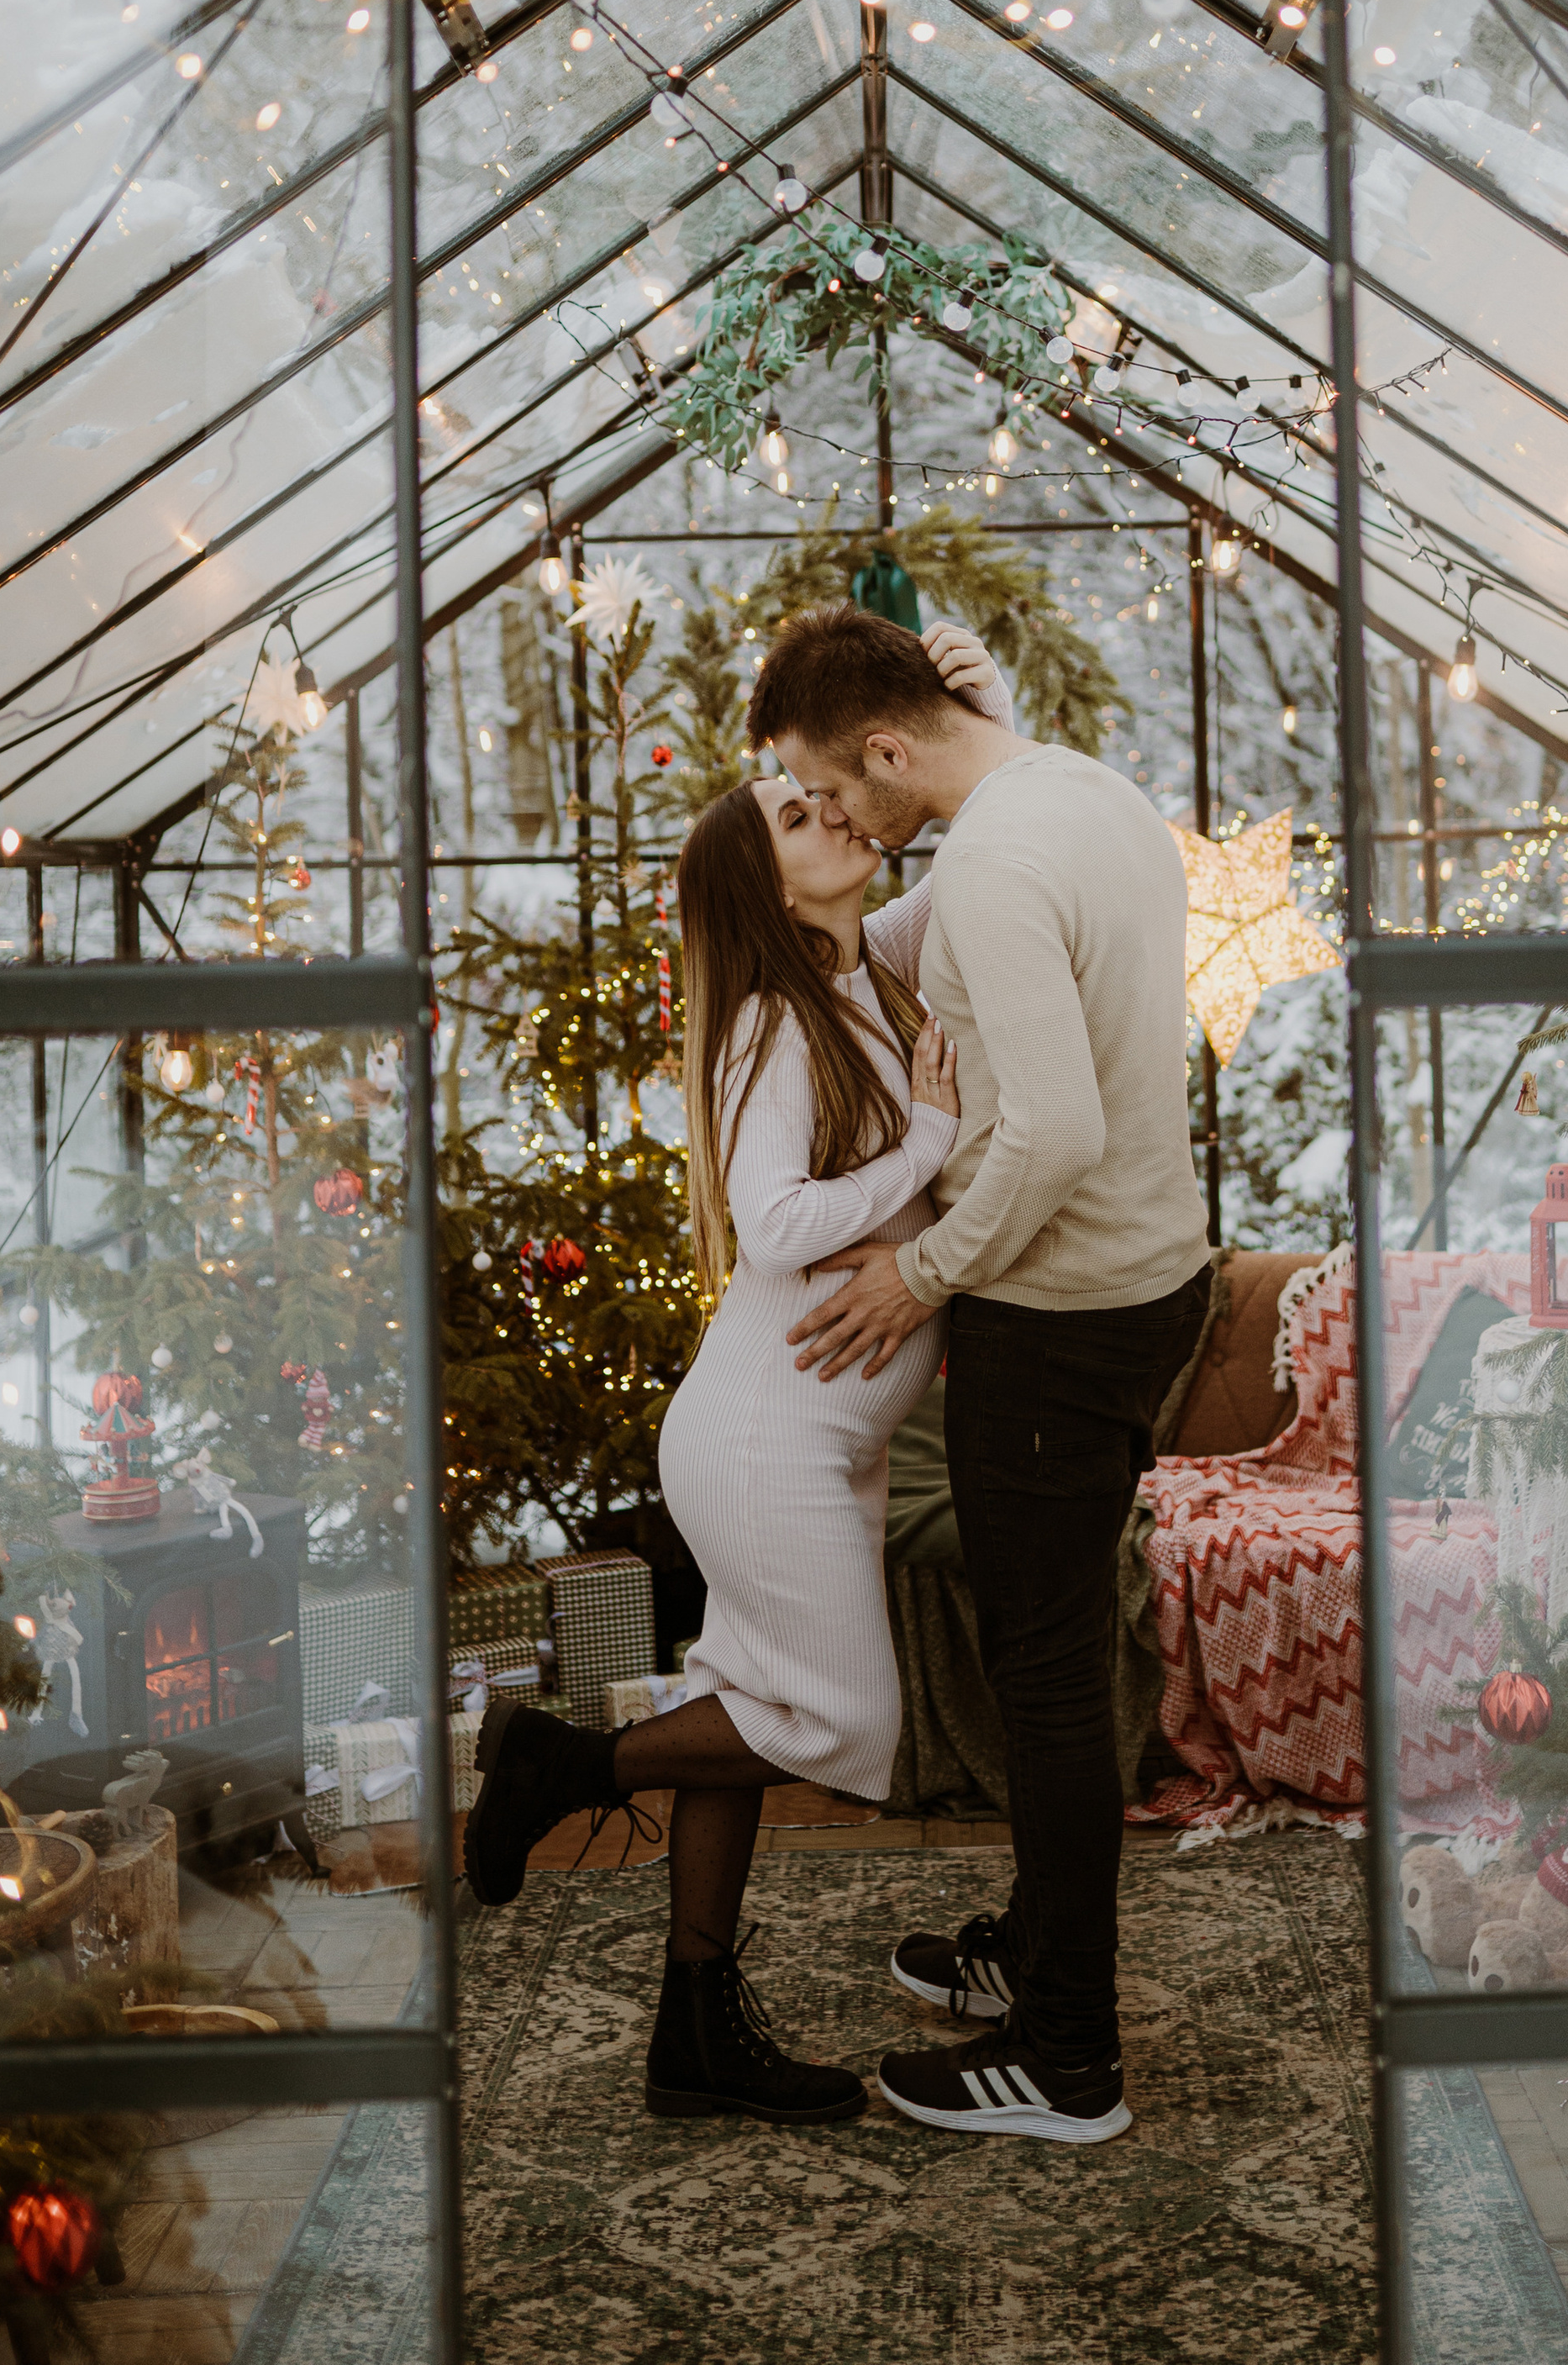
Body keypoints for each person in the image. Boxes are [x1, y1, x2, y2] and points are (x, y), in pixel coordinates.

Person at [461, 618, 1012, 2128]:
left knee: (759, 1714)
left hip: (800, 1440)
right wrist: (924, 1150)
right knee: (843, 1726)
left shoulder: (868, 979)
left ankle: (694, 2029)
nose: (831, 812)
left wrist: (979, 707)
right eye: (794, 813)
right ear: (764, 885)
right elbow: (772, 1228)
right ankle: (561, 1764)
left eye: (823, 796)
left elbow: (965, 855)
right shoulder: (775, 1023)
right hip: (764, 1445)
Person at [755, 602, 1212, 2150]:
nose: (833, 819)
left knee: (1048, 1684)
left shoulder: (1000, 863)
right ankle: (1038, 1947)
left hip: (1057, 1317)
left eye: (834, 787)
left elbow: (1059, 1132)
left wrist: (922, 1273)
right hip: (1148, 1285)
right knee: (1058, 1655)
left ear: (891, 747)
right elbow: (904, 942)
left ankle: (1069, 2057)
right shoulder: (1081, 793)